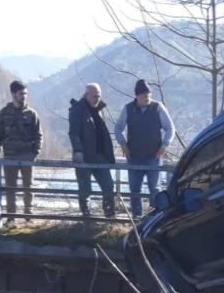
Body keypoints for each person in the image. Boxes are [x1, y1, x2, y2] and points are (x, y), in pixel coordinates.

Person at [115, 79, 175, 217]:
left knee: (155, 189)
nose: (147, 98)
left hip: (154, 155)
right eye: (143, 95)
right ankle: (137, 217)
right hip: (134, 155)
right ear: (137, 96)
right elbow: (118, 127)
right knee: (135, 189)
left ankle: (156, 216)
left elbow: (170, 127)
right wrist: (123, 144)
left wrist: (164, 145)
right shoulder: (128, 109)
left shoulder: (158, 107)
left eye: (149, 94)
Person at [0, 80, 43, 225]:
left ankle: (28, 216)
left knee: (28, 187)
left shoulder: (31, 114)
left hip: (27, 155)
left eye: (25, 94)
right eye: (21, 94)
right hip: (10, 155)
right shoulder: (5, 113)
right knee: (10, 188)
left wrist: (35, 152)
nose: (24, 96)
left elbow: (38, 135)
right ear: (13, 94)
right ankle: (11, 218)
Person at [68, 83, 117, 218]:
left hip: (100, 155)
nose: (97, 99)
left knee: (108, 186)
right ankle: (86, 216)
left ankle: (110, 215)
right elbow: (74, 133)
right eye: (94, 96)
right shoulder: (77, 110)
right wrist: (78, 150)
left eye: (99, 96)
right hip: (84, 157)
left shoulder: (100, 110)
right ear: (86, 96)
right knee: (85, 189)